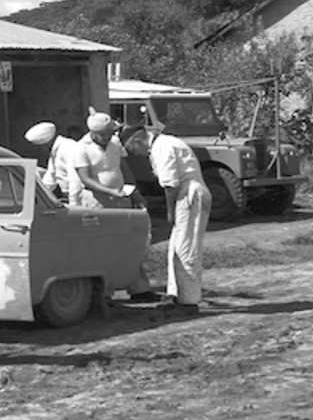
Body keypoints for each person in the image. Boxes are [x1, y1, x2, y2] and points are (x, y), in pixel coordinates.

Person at [69, 111, 157, 302]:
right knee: (100, 246)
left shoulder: (115, 143)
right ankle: (104, 292)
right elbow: (85, 178)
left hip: (120, 198)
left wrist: (134, 192)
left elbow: (124, 168)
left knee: (129, 242)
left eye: (110, 133)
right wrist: (109, 192)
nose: (109, 137)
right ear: (94, 133)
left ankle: (139, 288)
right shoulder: (80, 148)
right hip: (96, 203)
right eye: (105, 134)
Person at [148, 122, 212, 315]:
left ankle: (188, 302)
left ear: (138, 140)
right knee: (175, 249)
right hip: (187, 193)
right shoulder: (165, 143)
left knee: (186, 249)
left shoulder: (162, 147)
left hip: (189, 195)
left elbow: (171, 184)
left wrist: (170, 211)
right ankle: (176, 294)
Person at [24, 121, 77, 202]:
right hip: (69, 196)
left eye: (39, 147)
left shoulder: (68, 148)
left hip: (77, 197)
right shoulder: (55, 152)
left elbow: (75, 178)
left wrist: (74, 202)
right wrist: (39, 195)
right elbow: (50, 178)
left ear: (45, 144)